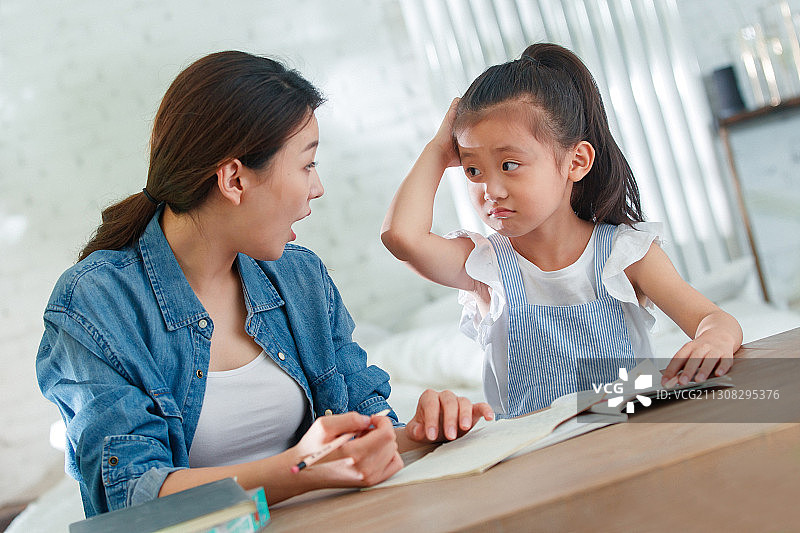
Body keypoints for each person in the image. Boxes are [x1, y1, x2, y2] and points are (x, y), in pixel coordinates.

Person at [36, 50, 493, 517]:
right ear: (234, 179)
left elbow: (358, 435)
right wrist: (296, 470)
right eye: (307, 165)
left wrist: (415, 434)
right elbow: (132, 500)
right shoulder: (96, 305)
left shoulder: (300, 278)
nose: (317, 188)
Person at [381, 43, 743, 418]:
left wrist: (714, 336)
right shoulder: (485, 267)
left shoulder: (627, 254)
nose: (491, 190)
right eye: (473, 170)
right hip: (535, 460)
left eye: (508, 164)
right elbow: (402, 237)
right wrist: (439, 149)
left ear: (577, 161)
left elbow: (714, 319)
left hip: (631, 441)